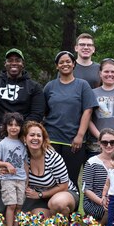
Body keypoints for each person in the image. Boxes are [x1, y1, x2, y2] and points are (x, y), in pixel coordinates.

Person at [43, 51, 98, 189]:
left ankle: (72, 210)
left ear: (74, 64)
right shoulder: (50, 86)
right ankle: (53, 210)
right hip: (52, 140)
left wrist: (80, 135)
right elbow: (42, 112)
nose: (65, 64)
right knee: (51, 179)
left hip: (73, 141)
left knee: (71, 179)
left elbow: (88, 110)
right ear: (57, 66)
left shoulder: (82, 85)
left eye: (68, 61)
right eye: (61, 62)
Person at [0, 48, 45, 143]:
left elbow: (37, 113)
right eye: (10, 60)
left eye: (17, 60)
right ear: (5, 64)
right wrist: (2, 128)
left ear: (23, 64)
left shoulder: (35, 87)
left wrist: (20, 129)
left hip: (24, 134)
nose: (14, 63)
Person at [22, 121, 79, 217]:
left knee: (57, 203)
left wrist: (40, 195)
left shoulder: (53, 157)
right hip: (40, 199)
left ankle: (62, 217)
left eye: (39, 136)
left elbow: (63, 186)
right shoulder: (23, 157)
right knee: (35, 218)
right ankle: (58, 218)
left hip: (64, 192)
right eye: (32, 135)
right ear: (25, 139)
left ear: (43, 139)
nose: (35, 138)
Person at [0, 112, 28, 226]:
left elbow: (25, 163)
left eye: (17, 125)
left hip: (21, 179)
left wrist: (27, 179)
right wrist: (6, 164)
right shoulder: (3, 143)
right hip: (8, 179)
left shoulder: (23, 143)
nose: (13, 128)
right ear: (5, 127)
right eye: (10, 125)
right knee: (11, 204)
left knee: (19, 205)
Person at [82, 128, 114, 224]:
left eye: (112, 142)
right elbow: (86, 189)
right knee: (113, 210)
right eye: (105, 143)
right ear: (99, 143)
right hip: (95, 202)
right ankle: (102, 225)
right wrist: (102, 201)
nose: (109, 145)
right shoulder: (92, 162)